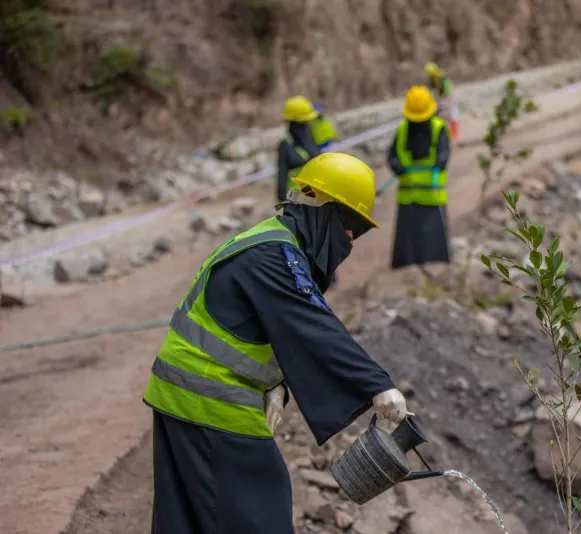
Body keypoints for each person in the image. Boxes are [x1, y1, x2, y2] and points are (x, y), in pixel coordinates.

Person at [143, 152, 411, 534]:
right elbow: (311, 324)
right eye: (349, 224)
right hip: (207, 399)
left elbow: (264, 325)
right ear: (322, 208)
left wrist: (276, 385)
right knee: (259, 510)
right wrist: (377, 385)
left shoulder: (273, 243)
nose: (351, 238)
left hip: (184, 394)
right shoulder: (273, 256)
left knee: (187, 520)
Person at [387, 85, 451, 270]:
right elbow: (392, 155)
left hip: (433, 198)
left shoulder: (439, 129)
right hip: (408, 199)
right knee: (407, 247)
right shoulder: (402, 130)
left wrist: (441, 160)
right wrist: (396, 166)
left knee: (433, 249)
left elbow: (444, 155)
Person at [276, 95, 322, 204]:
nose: (308, 124)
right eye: (306, 121)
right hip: (297, 201)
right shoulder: (286, 145)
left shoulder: (309, 136)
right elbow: (282, 176)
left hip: (315, 196)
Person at [424, 62, 460, 140]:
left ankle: (455, 137)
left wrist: (445, 103)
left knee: (453, 117)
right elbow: (432, 90)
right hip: (442, 100)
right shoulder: (433, 80)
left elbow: (448, 92)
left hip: (449, 99)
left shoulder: (442, 79)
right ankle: (446, 137)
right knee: (440, 119)